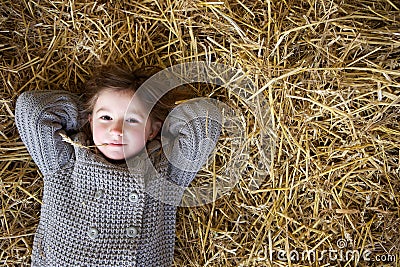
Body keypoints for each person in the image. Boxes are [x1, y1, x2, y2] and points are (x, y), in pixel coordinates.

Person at [15, 64, 222, 267]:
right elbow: (32, 109)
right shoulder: (66, 159)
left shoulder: (164, 171)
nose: (116, 130)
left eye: (132, 120)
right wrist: (88, 109)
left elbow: (205, 120)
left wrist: (163, 121)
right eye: (106, 117)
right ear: (90, 121)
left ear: (152, 130)